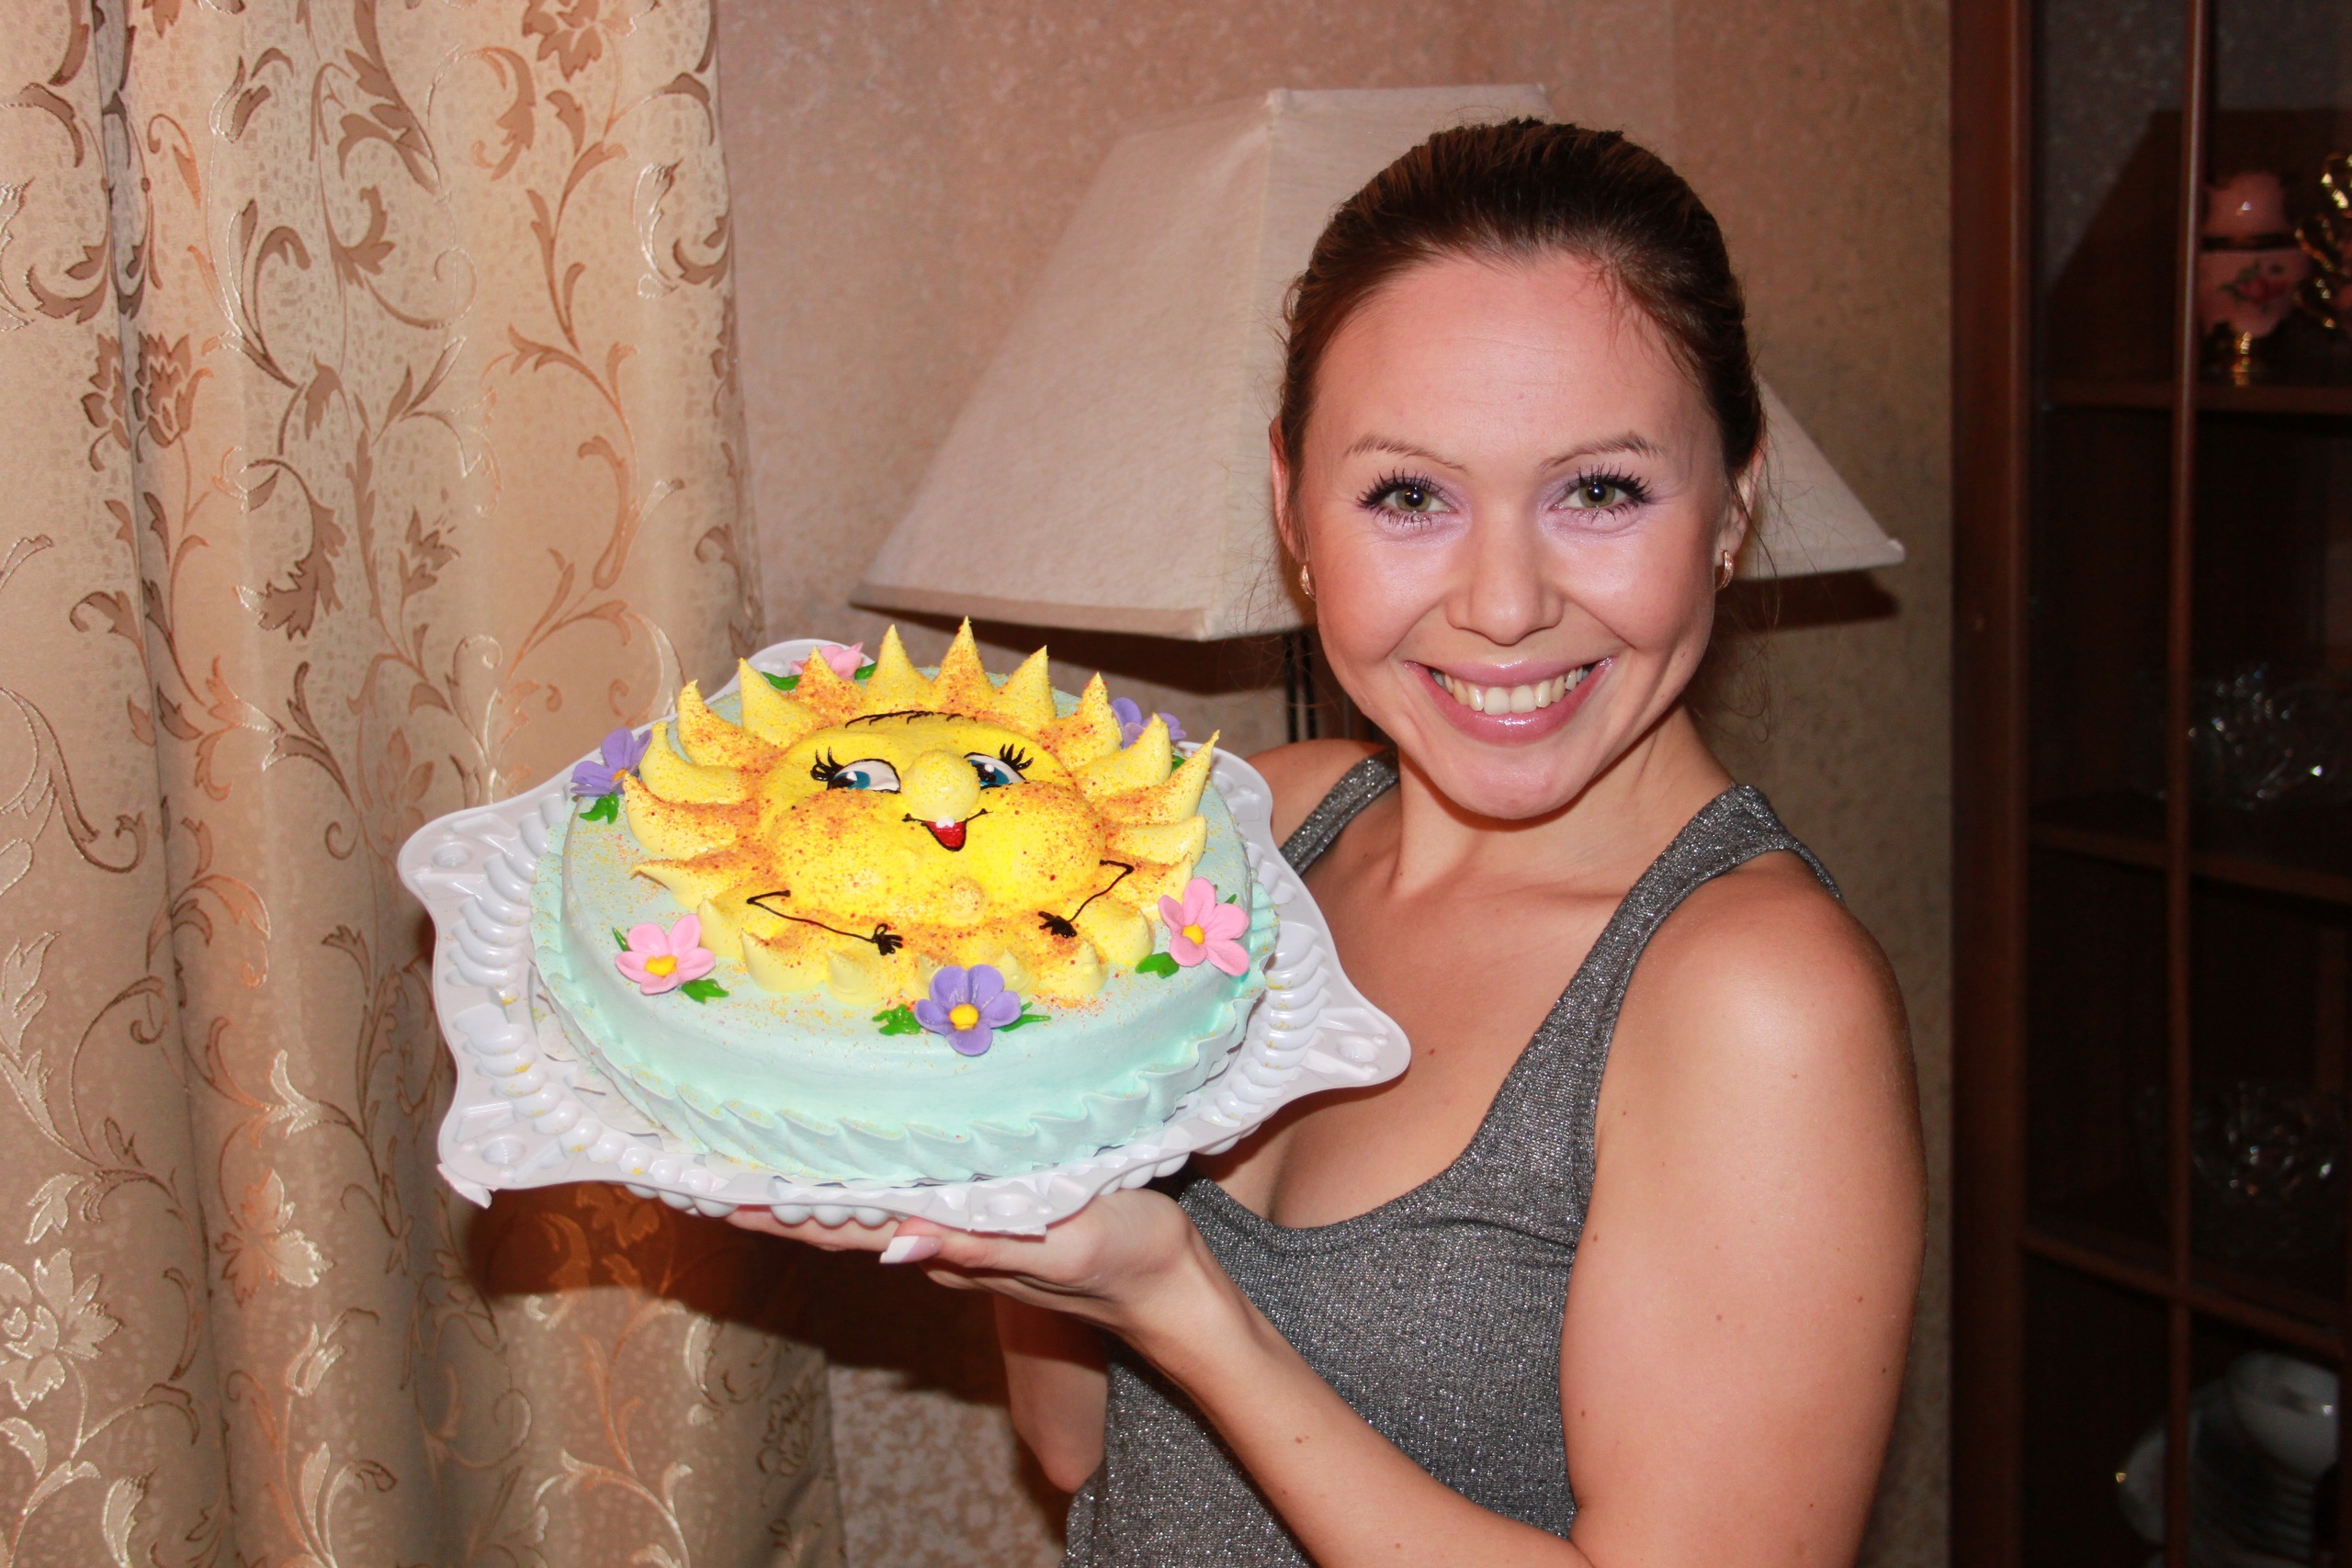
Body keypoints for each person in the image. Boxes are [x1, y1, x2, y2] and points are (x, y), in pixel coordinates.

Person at [733, 118, 1924, 1567]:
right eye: (1409, 496)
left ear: (1733, 503)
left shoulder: (1756, 1001)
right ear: (1293, 504)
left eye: (1599, 491)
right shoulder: (1259, 832)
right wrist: (995, 1135)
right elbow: (1077, 1445)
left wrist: (1185, 1308)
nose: (1502, 602)